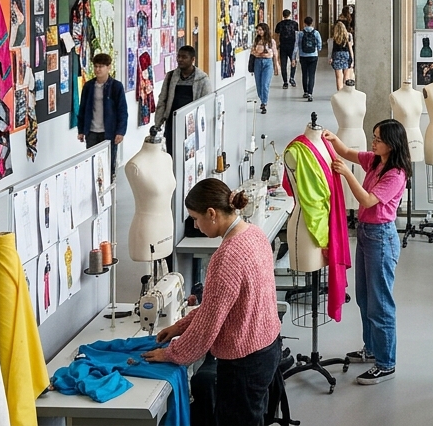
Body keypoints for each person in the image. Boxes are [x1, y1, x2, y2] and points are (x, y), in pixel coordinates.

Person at [143, 179, 282, 425]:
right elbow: (220, 307)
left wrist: (172, 354)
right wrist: (180, 327)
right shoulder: (255, 234)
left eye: (196, 219)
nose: (196, 225)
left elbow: (208, 326)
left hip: (244, 363)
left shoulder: (226, 257)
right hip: (268, 348)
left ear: (212, 213)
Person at [321, 120, 411, 384]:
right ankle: (372, 349)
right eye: (373, 137)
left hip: (381, 238)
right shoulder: (376, 161)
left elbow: (368, 199)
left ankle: (386, 363)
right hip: (366, 234)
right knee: (364, 297)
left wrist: (347, 174)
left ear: (391, 144)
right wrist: (332, 139)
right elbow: (348, 152)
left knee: (380, 303)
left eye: (378, 139)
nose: (373, 143)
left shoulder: (395, 174)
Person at [77, 53, 128, 170]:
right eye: (95, 66)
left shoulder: (116, 86)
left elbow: (122, 111)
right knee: (92, 163)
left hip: (109, 132)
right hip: (92, 131)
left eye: (101, 66)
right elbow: (83, 109)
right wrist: (81, 130)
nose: (97, 69)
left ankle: (110, 186)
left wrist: (121, 131)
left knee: (108, 163)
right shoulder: (89, 86)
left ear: (108, 67)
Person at [154, 45, 211, 132]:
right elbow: (162, 100)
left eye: (184, 57)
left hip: (192, 126)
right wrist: (157, 124)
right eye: (178, 56)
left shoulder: (202, 79)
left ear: (192, 59)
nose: (180, 59)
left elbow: (206, 105)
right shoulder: (170, 76)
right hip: (172, 124)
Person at [250, 23, 277, 114]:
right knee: (258, 84)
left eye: (261, 30)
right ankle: (262, 98)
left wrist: (276, 65)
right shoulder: (256, 41)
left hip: (268, 63)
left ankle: (264, 103)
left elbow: (274, 53)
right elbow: (253, 52)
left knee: (265, 83)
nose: (259, 32)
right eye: (258, 30)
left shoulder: (271, 41)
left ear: (265, 30)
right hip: (258, 62)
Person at [296, 16, 323, 102]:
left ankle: (305, 91)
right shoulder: (316, 33)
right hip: (313, 56)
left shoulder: (300, 33)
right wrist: (318, 49)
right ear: (312, 23)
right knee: (311, 75)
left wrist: (295, 57)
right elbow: (319, 44)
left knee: (304, 73)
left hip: (303, 56)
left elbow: (297, 45)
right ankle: (310, 93)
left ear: (304, 23)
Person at [275, 10, 299, 89]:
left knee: (283, 64)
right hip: (292, 46)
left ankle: (285, 82)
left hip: (283, 46)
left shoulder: (279, 24)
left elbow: (277, 35)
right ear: (290, 15)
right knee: (293, 62)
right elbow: (297, 34)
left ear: (283, 15)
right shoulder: (294, 24)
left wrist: (277, 45)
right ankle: (292, 78)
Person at [330, 20, 354, 91]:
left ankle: (339, 92)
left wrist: (331, 57)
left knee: (338, 77)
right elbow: (350, 48)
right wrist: (352, 60)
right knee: (346, 77)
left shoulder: (335, 37)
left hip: (337, 55)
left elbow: (333, 48)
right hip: (346, 54)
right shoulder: (348, 36)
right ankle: (346, 91)